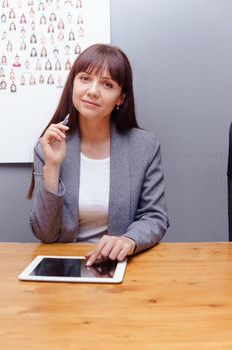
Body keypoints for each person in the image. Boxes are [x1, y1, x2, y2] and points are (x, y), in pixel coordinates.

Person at [28, 44, 169, 266]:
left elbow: (155, 216)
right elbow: (45, 233)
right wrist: (52, 166)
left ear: (120, 98)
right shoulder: (48, 146)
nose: (93, 90)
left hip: (121, 265)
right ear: (73, 84)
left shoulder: (144, 146)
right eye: (85, 78)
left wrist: (129, 240)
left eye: (107, 84)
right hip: (65, 266)